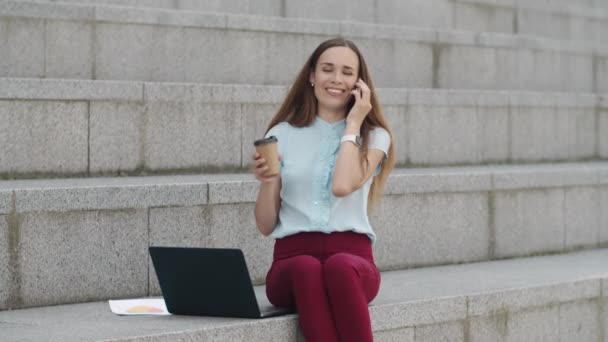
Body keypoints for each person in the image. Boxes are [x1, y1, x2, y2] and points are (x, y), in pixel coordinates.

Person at [252, 37, 395, 342]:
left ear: (359, 83)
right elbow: (265, 225)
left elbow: (343, 185)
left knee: (339, 267)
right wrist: (268, 182)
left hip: (353, 265)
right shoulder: (281, 134)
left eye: (347, 72)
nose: (336, 79)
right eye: (327, 69)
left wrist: (353, 125)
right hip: (291, 264)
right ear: (312, 76)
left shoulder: (376, 137)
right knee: (306, 268)